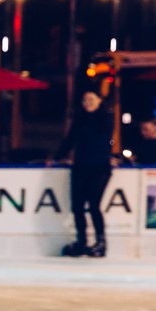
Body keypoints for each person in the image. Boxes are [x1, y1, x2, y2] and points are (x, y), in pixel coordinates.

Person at [51, 90, 115, 258]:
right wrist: (57, 157)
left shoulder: (105, 118)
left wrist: (112, 156)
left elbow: (103, 140)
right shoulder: (79, 120)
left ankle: (101, 243)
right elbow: (70, 140)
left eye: (91, 99)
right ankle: (81, 241)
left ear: (100, 101)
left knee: (94, 206)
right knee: (77, 207)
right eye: (84, 99)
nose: (87, 102)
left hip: (99, 168)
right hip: (80, 167)